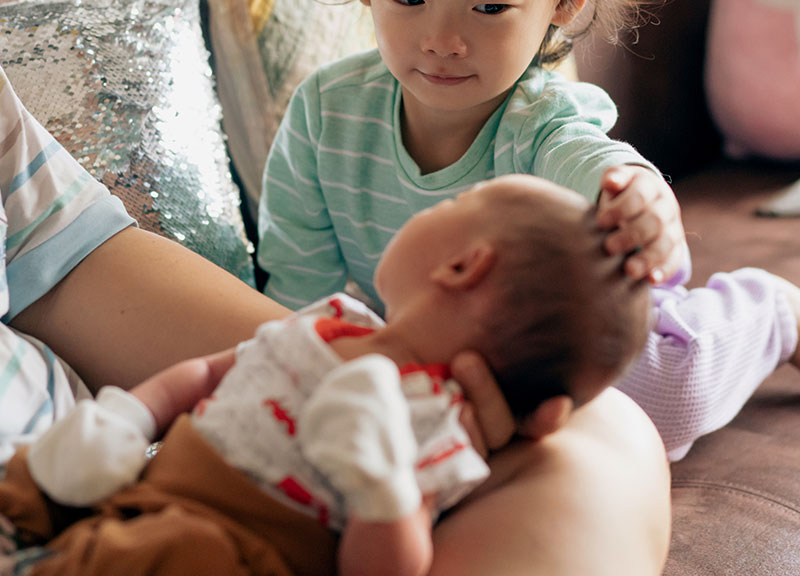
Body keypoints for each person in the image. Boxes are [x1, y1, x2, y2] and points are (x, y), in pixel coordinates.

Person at [255, 0, 797, 461]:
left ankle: (772, 313)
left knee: (661, 395)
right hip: (425, 353)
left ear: (563, 3)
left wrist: (636, 201)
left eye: (489, 5)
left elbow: (594, 163)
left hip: (559, 335)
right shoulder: (322, 115)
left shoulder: (541, 121)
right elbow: (294, 297)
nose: (443, 39)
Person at [0, 62, 671, 574]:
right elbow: (207, 376)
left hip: (218, 540)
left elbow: (387, 566)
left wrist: (383, 487)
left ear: (463, 268)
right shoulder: (329, 324)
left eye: (440, 210)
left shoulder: (432, 416)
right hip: (141, 484)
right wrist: (131, 417)